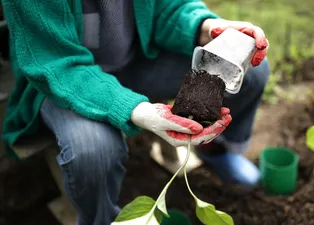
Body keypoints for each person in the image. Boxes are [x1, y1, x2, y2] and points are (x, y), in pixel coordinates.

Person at [1, 0, 270, 224]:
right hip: (64, 81)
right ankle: (101, 218)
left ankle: (214, 150)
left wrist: (207, 28)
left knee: (252, 72)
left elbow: (169, 8)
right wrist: (136, 110)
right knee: (93, 150)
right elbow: (55, 64)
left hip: (133, 60)